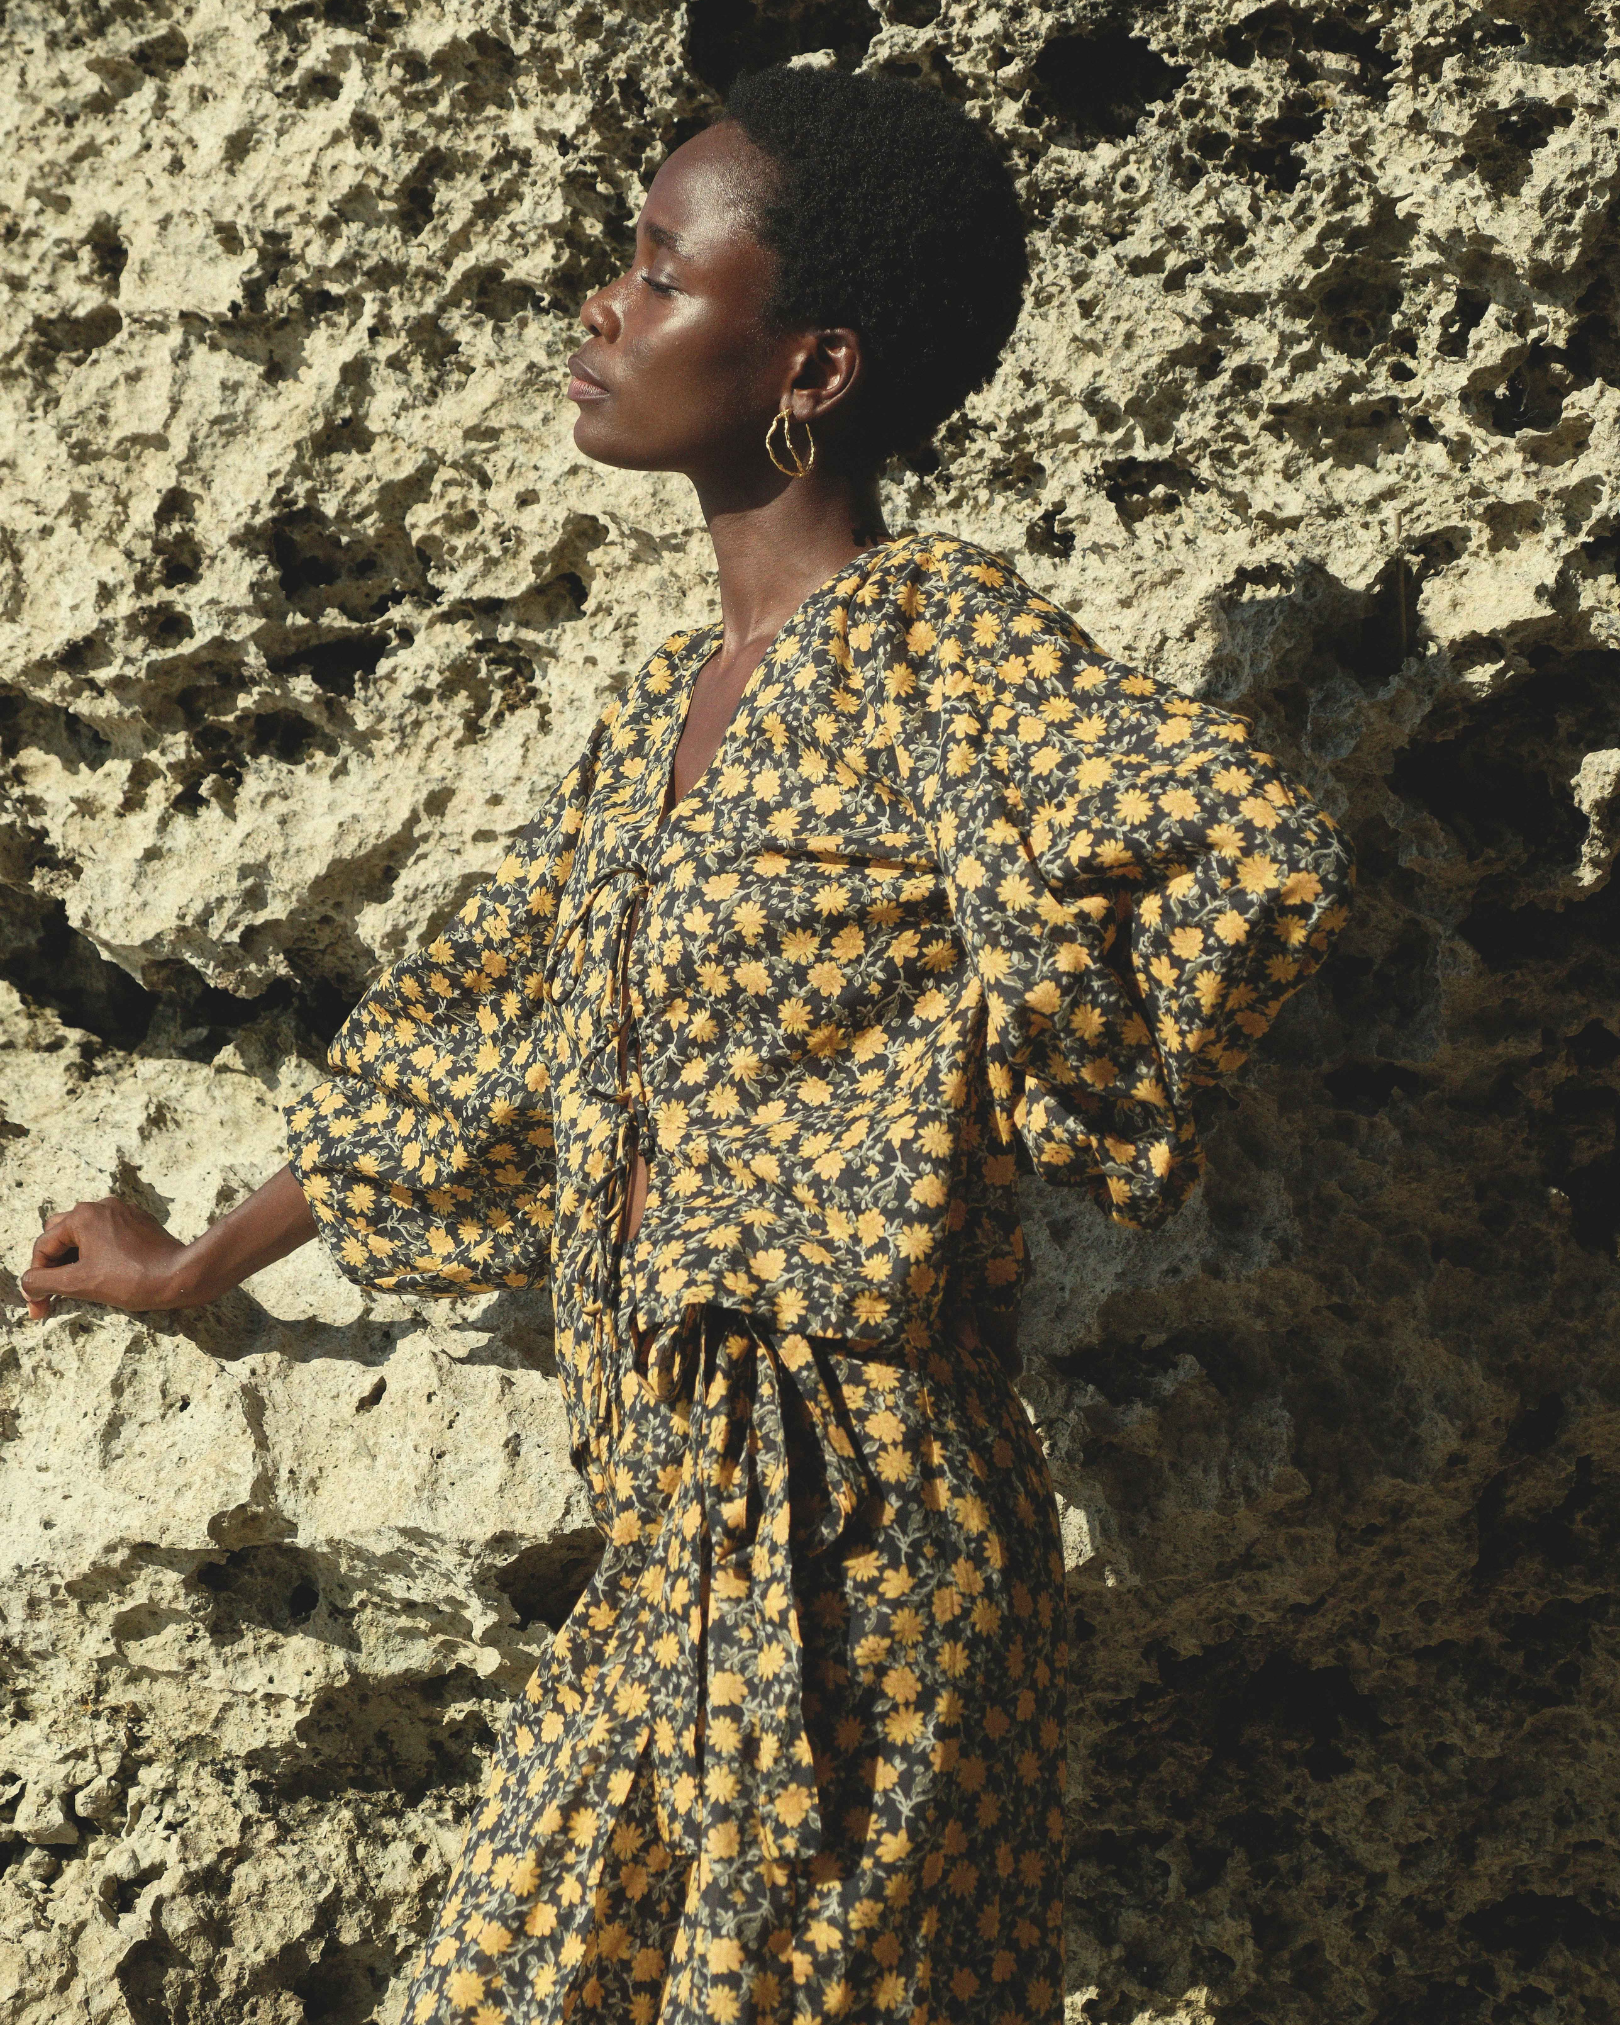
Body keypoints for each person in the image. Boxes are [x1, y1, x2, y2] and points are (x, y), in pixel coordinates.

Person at [19, 64, 1354, 2025]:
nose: (603, 309)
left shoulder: (932, 646)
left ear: (807, 363)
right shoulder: (658, 719)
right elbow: (485, 1049)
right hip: (683, 1554)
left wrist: (972, 1101)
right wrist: (196, 1260)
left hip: (868, 1553)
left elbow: (1254, 854)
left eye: (659, 273)